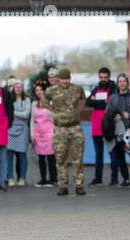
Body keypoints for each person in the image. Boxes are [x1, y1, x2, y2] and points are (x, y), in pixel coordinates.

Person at [42, 68, 86, 196]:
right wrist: (53, 111)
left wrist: (79, 110)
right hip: (60, 128)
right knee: (60, 158)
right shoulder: (52, 90)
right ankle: (63, 185)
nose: (65, 81)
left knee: (77, 157)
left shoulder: (77, 88)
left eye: (67, 78)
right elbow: (43, 101)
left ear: (70, 78)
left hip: (75, 127)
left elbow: (83, 99)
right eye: (62, 79)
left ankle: (79, 185)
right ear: (58, 79)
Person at [86, 67, 117, 186]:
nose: (103, 79)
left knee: (112, 152)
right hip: (96, 125)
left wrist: (97, 102)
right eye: (101, 77)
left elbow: (110, 103)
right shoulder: (96, 88)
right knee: (98, 154)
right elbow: (89, 102)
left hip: (108, 125)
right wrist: (102, 102)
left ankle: (114, 178)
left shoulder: (113, 88)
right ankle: (97, 178)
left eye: (105, 77)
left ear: (109, 77)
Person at [103, 73, 130, 187]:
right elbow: (107, 113)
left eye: (124, 81)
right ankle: (126, 179)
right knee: (120, 157)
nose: (122, 83)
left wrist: (128, 115)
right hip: (117, 131)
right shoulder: (113, 97)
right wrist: (113, 116)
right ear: (117, 83)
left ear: (127, 82)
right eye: (120, 81)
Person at [31, 84, 57, 187]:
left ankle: (53, 178)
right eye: (37, 90)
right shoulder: (34, 104)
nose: (38, 92)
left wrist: (55, 133)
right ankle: (43, 178)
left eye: (40, 90)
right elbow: (32, 121)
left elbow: (55, 118)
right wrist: (32, 134)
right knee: (40, 158)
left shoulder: (51, 102)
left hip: (49, 132)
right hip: (38, 133)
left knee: (51, 157)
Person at [7, 80, 31, 187]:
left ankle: (22, 178)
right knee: (9, 155)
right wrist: (16, 113)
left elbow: (26, 115)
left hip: (23, 130)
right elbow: (5, 113)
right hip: (9, 130)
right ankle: (10, 178)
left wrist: (12, 112)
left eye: (20, 87)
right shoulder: (8, 100)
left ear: (22, 88)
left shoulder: (27, 100)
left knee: (22, 155)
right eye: (16, 87)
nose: (18, 89)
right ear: (13, 88)